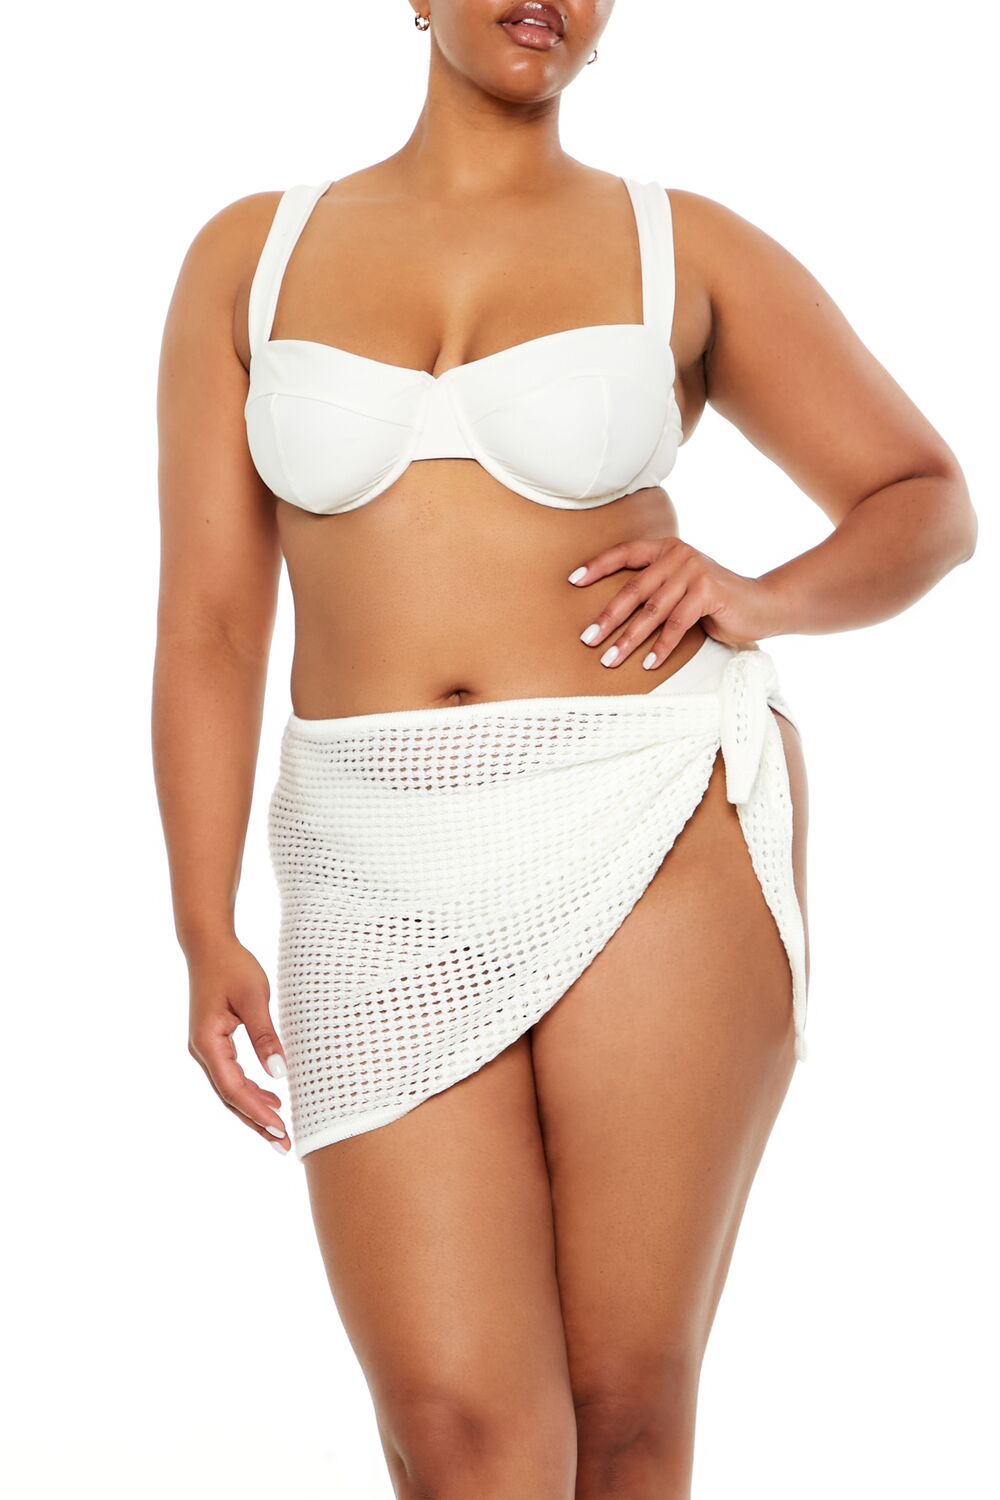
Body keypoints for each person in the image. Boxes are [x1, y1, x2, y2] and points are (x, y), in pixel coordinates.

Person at [152, 2, 977, 1495]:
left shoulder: (682, 245)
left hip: (651, 813)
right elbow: (211, 618)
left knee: (624, 1406)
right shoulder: (249, 254)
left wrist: (759, 594)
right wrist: (200, 919)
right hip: (370, 849)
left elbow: (924, 500)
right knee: (459, 1432)